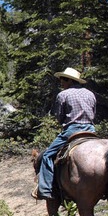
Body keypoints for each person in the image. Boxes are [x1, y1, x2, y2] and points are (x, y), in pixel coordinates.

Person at [32, 67, 96, 200]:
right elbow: (93, 113)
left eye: (62, 80)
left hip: (72, 130)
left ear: (69, 80)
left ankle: (45, 189)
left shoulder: (63, 95)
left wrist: (64, 121)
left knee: (47, 155)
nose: (61, 83)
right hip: (90, 130)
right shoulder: (90, 94)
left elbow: (60, 117)